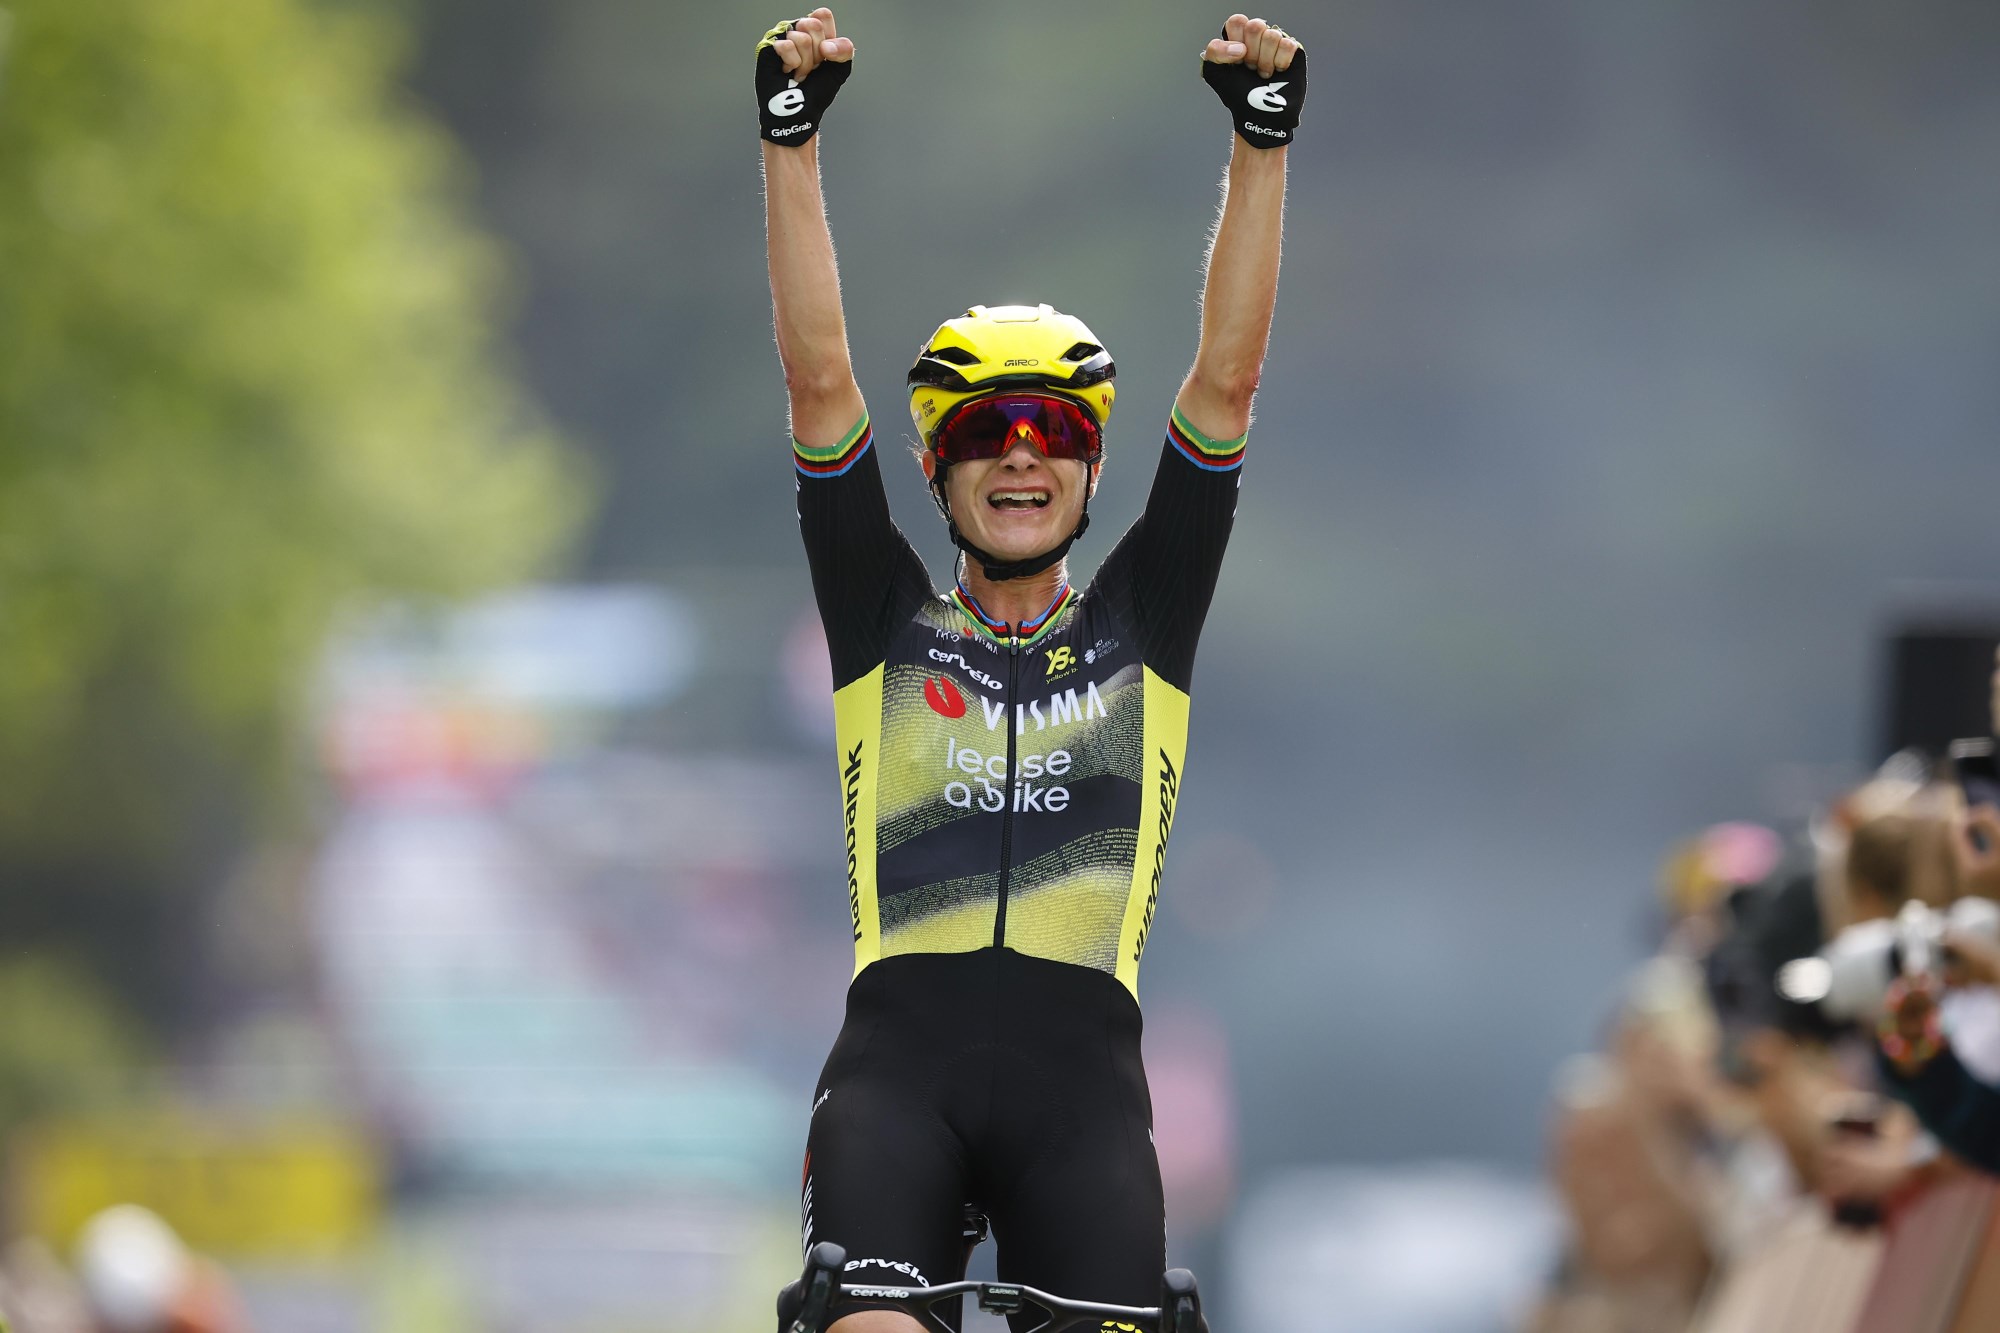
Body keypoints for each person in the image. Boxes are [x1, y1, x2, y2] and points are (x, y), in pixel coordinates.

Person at [758, 8, 1303, 1327]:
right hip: (898, 1082)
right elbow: (821, 381)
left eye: (1053, 426)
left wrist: (1261, 144)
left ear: (1090, 466)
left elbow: (1225, 385)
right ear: (934, 465)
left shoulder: (1143, 624)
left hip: (1083, 1101)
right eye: (981, 429)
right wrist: (789, 142)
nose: (1019, 452)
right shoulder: (883, 620)